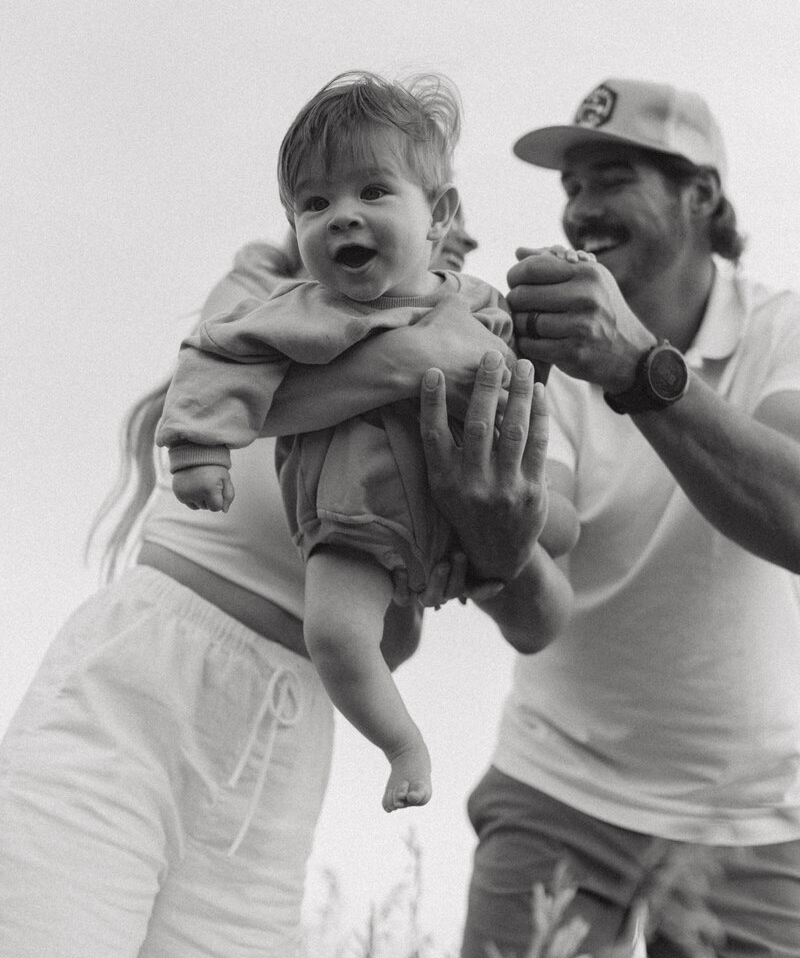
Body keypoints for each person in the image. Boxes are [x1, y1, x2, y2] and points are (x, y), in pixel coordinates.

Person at [0, 181, 572, 958]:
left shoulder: (488, 352)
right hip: (142, 682)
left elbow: (547, 578)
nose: (451, 253)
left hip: (285, 737)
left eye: (459, 241)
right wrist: (412, 358)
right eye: (335, 200)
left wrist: (497, 526)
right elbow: (213, 405)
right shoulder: (272, 297)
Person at [156, 70, 579, 814]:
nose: (341, 217)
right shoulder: (305, 311)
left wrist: (560, 277)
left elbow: (525, 343)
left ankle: (413, 630)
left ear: (439, 216)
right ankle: (403, 743)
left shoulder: (474, 302)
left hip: (452, 521)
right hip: (356, 529)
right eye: (314, 204)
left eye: (371, 192)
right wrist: (198, 448)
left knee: (563, 525)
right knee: (341, 637)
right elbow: (220, 356)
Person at [454, 78, 800, 958]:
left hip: (758, 818)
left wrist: (636, 366)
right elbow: (541, 577)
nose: (581, 209)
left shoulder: (781, 331)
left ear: (702, 194)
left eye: (611, 178)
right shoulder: (549, 352)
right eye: (571, 187)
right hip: (558, 787)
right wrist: (499, 541)